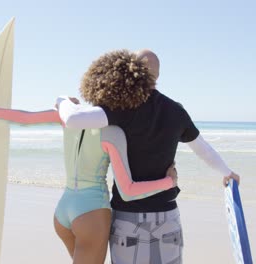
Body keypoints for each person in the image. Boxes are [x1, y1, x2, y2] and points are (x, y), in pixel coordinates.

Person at [0, 65, 178, 264]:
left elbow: (24, 118)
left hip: (64, 211)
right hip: (91, 213)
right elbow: (129, 190)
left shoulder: (68, 117)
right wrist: (168, 182)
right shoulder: (113, 131)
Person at [55, 49, 240, 264]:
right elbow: (203, 149)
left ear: (130, 71)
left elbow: (73, 120)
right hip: (166, 214)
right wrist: (227, 172)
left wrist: (62, 100)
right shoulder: (176, 111)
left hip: (127, 217)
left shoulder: (120, 107)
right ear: (158, 76)